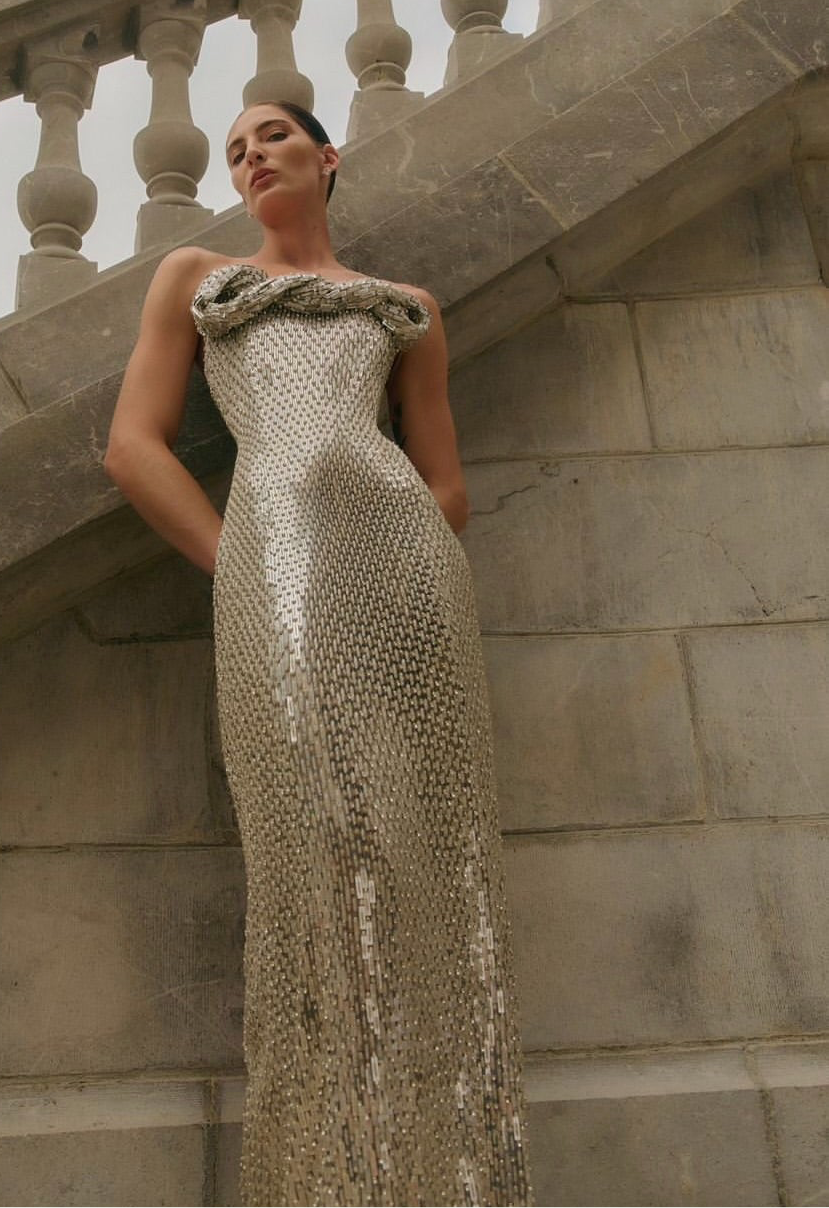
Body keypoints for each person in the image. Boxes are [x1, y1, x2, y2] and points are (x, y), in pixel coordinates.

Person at [105, 101, 534, 1207]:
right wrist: (243, 561)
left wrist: (410, 553)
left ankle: (449, 1176)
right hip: (276, 576)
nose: (250, 156)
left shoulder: (405, 306)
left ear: (327, 156)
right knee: (316, 849)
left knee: (427, 851)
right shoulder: (199, 277)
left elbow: (445, 482)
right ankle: (335, 1175)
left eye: (272, 137)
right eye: (234, 150)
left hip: (406, 583)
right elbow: (133, 448)